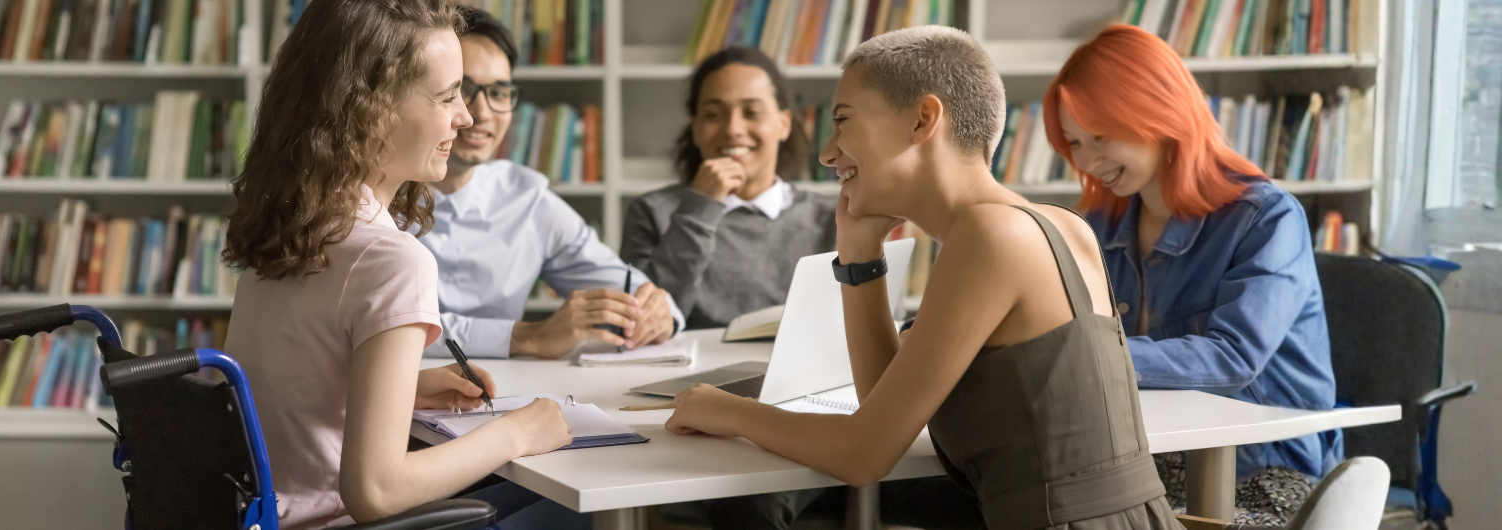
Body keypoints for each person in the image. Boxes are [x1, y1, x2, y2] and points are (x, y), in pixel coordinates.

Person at [664, 26, 1182, 530]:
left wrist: (729, 411)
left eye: (842, 121)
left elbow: (862, 455)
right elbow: (880, 407)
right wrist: (860, 250)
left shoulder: (991, 236)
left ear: (923, 120)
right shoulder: (1054, 224)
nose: (827, 152)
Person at [222, 2, 585, 528]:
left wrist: (405, 392)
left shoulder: (289, 228)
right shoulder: (391, 260)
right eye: (447, 96)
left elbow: (284, 393)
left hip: (262, 513)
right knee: (568, 508)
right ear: (367, 110)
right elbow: (375, 489)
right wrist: (517, 432)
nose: (466, 116)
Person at [1046, 24, 1338, 526]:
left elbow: (1232, 356)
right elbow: (1054, 323)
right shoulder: (1098, 225)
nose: (1089, 161)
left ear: (1158, 113)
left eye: (1102, 136)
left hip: (1269, 477)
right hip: (1150, 466)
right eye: (1074, 142)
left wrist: (1080, 353)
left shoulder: (1266, 218)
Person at [419, 7, 681, 360]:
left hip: (500, 395)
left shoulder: (527, 199)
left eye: (498, 92)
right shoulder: (372, 196)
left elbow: (629, 291)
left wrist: (659, 314)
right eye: (463, 89)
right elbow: (382, 324)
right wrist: (525, 337)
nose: (480, 113)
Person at [621, 47, 837, 330]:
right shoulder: (652, 211)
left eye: (752, 112)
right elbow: (640, 324)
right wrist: (700, 208)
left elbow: (872, 323)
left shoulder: (831, 219)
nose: (733, 129)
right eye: (713, 114)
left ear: (783, 125)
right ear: (696, 129)